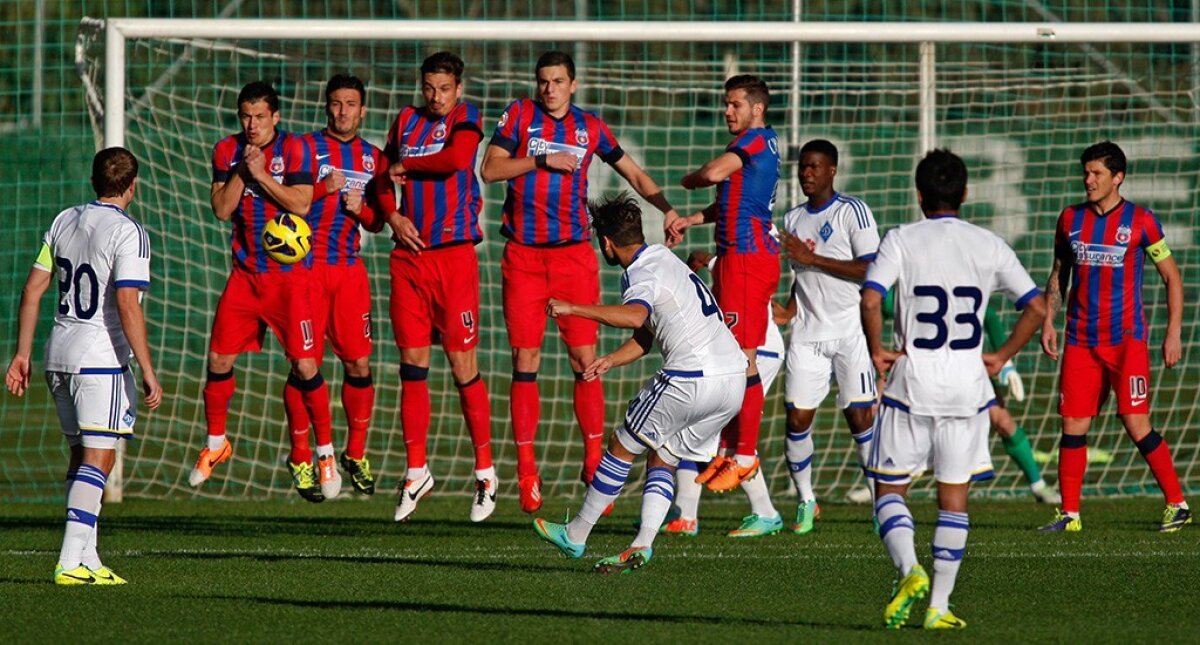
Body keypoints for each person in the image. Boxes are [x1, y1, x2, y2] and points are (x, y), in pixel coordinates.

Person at [480, 50, 680, 513]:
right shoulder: (519, 115)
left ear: (573, 84)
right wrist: (541, 161)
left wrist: (667, 208)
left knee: (585, 357)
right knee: (524, 358)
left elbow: (631, 171)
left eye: (558, 81)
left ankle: (594, 462)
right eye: (543, 80)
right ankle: (527, 468)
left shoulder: (590, 127)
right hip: (523, 257)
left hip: (573, 258)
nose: (549, 88)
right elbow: (490, 169)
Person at [861, 149, 1046, 629]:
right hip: (968, 386)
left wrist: (878, 348)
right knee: (954, 498)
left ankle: (909, 569)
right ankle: (939, 607)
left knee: (890, 489)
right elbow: (1038, 307)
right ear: (964, 194)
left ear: (919, 195)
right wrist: (1002, 355)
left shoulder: (901, 238)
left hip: (912, 382)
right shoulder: (989, 244)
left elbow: (870, 297)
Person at [532, 193, 746, 573]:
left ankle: (577, 534)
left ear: (606, 244)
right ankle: (642, 544)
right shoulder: (665, 260)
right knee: (663, 455)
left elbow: (635, 316)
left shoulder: (641, 273)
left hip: (691, 378)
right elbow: (648, 333)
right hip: (732, 382)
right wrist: (611, 360)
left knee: (621, 444)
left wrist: (574, 307)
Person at [6, 147, 162, 585]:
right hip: (100, 359)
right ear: (133, 186)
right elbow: (127, 302)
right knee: (98, 457)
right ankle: (70, 560)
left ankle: (88, 558)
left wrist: (22, 354)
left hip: (58, 355)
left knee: (85, 457)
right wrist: (147, 368)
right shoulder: (130, 233)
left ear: (94, 182)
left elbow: (32, 290)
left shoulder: (63, 220)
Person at [1039, 141, 1190, 533]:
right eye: (1086, 173)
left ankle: (1178, 503)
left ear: (1117, 177)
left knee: (1135, 421)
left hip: (1126, 341)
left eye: (1097, 174)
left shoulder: (1142, 221)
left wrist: (1173, 332)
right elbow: (1059, 273)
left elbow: (1172, 277)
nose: (1088, 180)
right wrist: (1048, 320)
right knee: (1072, 423)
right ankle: (1069, 514)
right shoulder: (1069, 219)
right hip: (1079, 341)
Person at [189, 81, 328, 502]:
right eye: (245, 116)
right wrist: (241, 170)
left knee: (306, 368)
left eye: (260, 117)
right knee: (217, 358)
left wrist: (262, 174)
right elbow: (221, 209)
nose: (252, 125)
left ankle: (325, 454)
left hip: (290, 280)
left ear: (276, 117)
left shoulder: (298, 149)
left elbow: (301, 204)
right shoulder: (225, 150)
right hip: (246, 275)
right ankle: (216, 443)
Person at [384, 52, 496, 523]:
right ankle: (416, 471)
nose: (435, 97)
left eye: (444, 89)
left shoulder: (467, 117)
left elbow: (456, 158)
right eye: (429, 88)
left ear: (458, 90)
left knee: (461, 364)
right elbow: (381, 179)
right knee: (411, 365)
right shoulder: (406, 119)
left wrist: (404, 165)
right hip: (409, 258)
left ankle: (486, 473)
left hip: (453, 257)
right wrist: (392, 214)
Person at [670, 74, 782, 536]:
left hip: (745, 262)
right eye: (725, 104)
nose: (727, 112)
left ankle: (744, 454)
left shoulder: (754, 141)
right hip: (741, 258)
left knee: (741, 361)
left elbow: (712, 176)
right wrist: (695, 219)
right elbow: (734, 201)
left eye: (735, 104)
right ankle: (731, 453)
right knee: (735, 358)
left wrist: (689, 180)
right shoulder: (760, 148)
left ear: (757, 108)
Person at [860, 289, 1062, 505]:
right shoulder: (902, 288)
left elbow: (991, 315)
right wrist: (874, 355)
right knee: (876, 412)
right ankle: (879, 481)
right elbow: (873, 309)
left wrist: (1006, 365)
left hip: (962, 368)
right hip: (916, 368)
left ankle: (1038, 485)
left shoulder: (957, 282)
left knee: (1001, 420)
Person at [774, 139, 879, 534]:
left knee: (860, 418)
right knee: (797, 418)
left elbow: (872, 269)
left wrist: (812, 257)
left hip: (849, 332)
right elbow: (803, 277)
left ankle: (879, 505)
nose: (807, 173)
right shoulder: (792, 219)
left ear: (832, 170)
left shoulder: (853, 211)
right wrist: (788, 307)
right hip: (807, 335)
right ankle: (805, 501)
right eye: (803, 166)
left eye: (815, 166)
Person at [300, 74, 395, 499]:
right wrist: (323, 190)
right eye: (336, 103)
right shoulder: (304, 148)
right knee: (305, 365)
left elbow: (378, 220)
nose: (343, 111)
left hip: (348, 272)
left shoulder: (374, 159)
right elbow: (289, 198)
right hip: (304, 271)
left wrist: (363, 210)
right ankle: (302, 456)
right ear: (326, 106)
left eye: (350, 104)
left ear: (362, 109)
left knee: (359, 364)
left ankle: (355, 453)